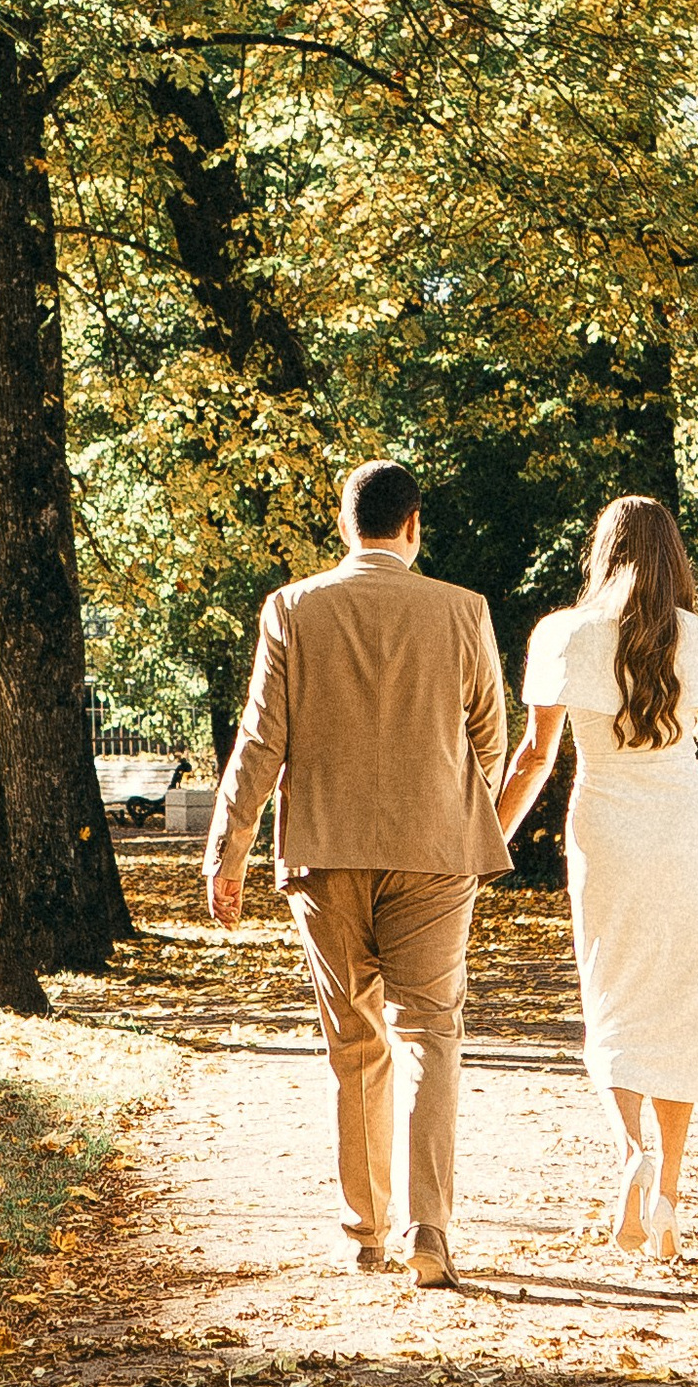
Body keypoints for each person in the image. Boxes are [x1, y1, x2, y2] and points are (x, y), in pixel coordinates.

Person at [204, 459, 510, 1290]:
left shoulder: (294, 610)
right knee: (431, 1034)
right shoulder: (463, 611)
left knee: (355, 1044)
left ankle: (365, 1230)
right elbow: (492, 737)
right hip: (437, 854)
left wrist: (227, 852)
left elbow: (261, 740)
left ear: (347, 525)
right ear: (414, 525)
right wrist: (455, 798)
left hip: (325, 851)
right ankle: (430, 1231)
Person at [493, 494, 698, 1271]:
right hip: (685, 827)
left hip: (605, 825)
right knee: (683, 998)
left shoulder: (562, 634)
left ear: (602, 552)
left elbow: (534, 759)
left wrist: (487, 842)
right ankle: (671, 1196)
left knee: (611, 989)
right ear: (674, 555)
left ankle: (629, 1156)